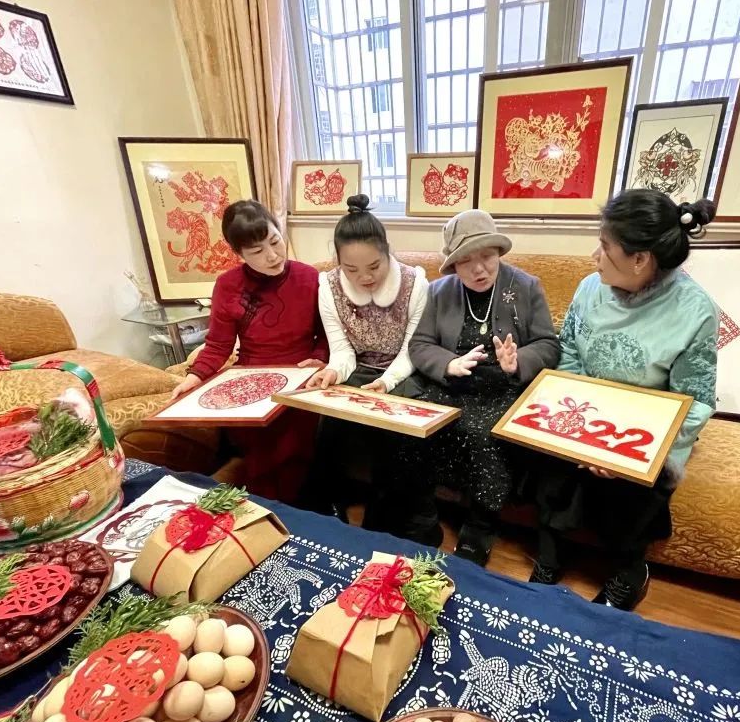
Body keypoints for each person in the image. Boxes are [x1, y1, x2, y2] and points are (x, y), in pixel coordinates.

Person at [530, 189, 719, 611]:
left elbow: (694, 400)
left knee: (627, 489)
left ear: (640, 259)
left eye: (605, 245)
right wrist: (580, 433)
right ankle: (550, 556)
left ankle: (630, 572)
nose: (594, 256)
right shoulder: (589, 289)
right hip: (586, 412)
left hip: (646, 428)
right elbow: (569, 356)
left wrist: (622, 451)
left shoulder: (696, 311)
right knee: (550, 463)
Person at [397, 209, 560, 563]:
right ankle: (423, 518)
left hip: (504, 387)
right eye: (466, 261)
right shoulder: (439, 292)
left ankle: (481, 525)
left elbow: (549, 344)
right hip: (452, 384)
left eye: (487, 256)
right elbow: (420, 344)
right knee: (414, 428)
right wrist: (448, 363)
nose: (479, 269)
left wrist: (518, 362)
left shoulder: (526, 286)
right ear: (454, 265)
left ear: (498, 252)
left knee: (482, 433)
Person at [170, 199, 327, 502]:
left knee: (295, 444)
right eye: (257, 251)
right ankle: (266, 506)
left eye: (275, 241)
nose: (272, 255)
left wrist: (318, 359)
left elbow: (327, 335)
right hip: (251, 381)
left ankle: (292, 507)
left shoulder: (310, 277)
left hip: (301, 376)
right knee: (259, 448)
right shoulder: (228, 285)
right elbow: (218, 344)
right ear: (239, 254)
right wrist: (194, 377)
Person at [300, 194, 429, 522]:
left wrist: (387, 381)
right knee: (330, 420)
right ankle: (327, 508)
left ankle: (383, 516)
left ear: (387, 251)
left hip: (404, 370)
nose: (365, 277)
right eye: (351, 269)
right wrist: (332, 372)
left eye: (374, 266)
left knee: (391, 429)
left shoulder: (415, 283)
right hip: (358, 368)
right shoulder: (329, 286)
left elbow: (412, 349)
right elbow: (342, 351)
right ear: (339, 262)